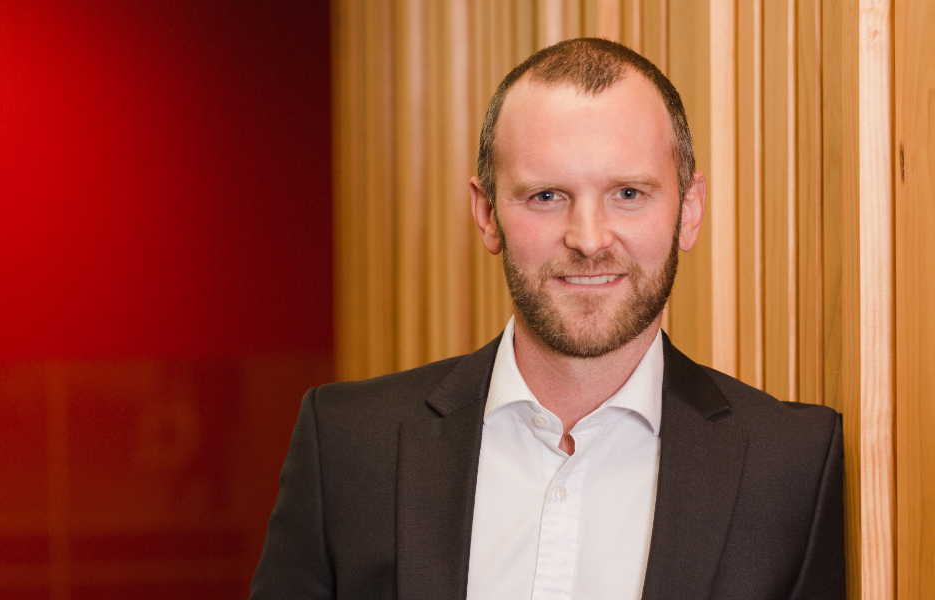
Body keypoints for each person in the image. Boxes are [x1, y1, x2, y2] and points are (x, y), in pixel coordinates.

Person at [249, 38, 845, 600]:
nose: (588, 239)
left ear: (688, 210)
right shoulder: (347, 445)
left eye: (628, 193)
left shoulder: (792, 467)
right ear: (487, 214)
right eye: (546, 196)